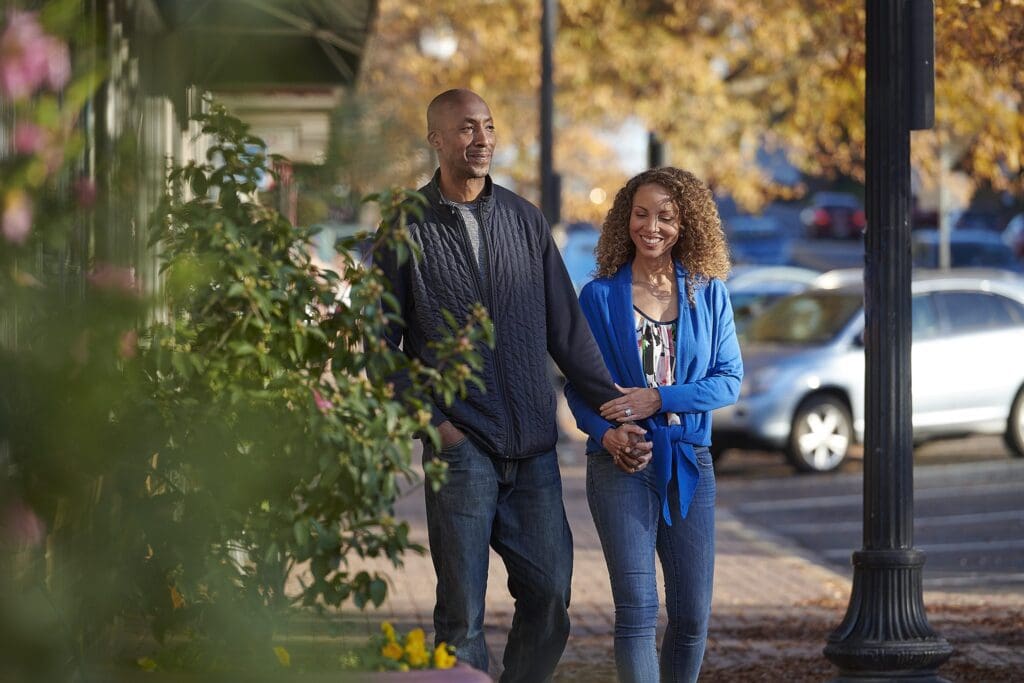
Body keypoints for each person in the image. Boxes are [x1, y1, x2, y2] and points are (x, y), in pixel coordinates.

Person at [375, 88, 623, 682]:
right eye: (466, 128)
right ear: (436, 139)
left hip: (533, 446)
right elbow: (379, 343)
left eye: (487, 126)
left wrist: (615, 406)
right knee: (459, 616)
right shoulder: (405, 226)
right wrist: (436, 426)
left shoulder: (524, 218)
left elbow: (567, 331)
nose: (482, 138)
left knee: (551, 598)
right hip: (462, 446)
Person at [564, 167, 743, 682]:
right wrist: (607, 434)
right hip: (620, 464)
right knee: (639, 612)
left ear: (687, 224)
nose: (652, 227)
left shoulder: (708, 294)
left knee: (691, 617)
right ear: (626, 220)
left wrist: (657, 398)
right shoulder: (598, 296)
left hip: (689, 459)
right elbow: (578, 388)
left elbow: (728, 380)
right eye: (641, 214)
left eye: (666, 216)